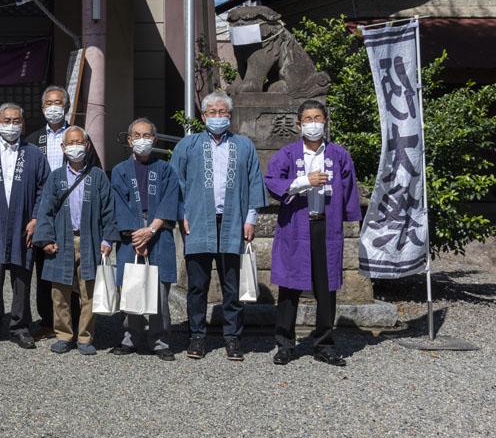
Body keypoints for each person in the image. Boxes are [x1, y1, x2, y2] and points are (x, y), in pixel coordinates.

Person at [266, 100, 361, 367]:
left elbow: (350, 187)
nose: (313, 123)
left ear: (326, 122)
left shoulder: (339, 155)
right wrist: (305, 181)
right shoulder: (287, 154)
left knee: (326, 285)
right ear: (299, 125)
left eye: (318, 118)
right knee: (289, 285)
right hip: (295, 226)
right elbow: (272, 182)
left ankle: (324, 343)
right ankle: (284, 343)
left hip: (326, 226)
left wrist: (351, 219)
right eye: (308, 119)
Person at [172, 90, 266, 361]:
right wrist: (181, 216)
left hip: (232, 221)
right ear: (203, 116)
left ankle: (233, 338)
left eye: (222, 112)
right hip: (198, 221)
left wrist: (251, 219)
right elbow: (175, 183)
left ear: (230, 116)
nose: (217, 117)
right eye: (211, 112)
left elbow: (254, 183)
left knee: (231, 286)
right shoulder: (187, 146)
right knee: (197, 286)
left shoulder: (244, 145)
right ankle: (197, 336)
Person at [0, 102, 50, 348]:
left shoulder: (35, 154)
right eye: (7, 121)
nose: (12, 125)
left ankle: (20, 326)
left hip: (23, 224)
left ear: (23, 123)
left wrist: (36, 218)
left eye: (17, 121)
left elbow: (42, 189)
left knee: (22, 276)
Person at [32, 126, 116, 355]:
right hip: (61, 240)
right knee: (59, 292)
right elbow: (45, 210)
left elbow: (109, 210)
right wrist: (46, 239)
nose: (75, 147)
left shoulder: (98, 176)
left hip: (90, 240)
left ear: (88, 146)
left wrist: (108, 239)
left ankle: (85, 337)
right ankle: (64, 335)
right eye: (70, 143)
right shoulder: (56, 177)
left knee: (89, 291)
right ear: (63, 147)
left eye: (79, 143)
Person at [27, 86, 97, 339]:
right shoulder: (34, 140)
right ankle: (49, 321)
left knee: (79, 272)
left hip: (76, 212)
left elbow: (94, 174)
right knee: (46, 269)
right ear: (43, 108)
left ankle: (78, 322)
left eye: (58, 103)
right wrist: (35, 217)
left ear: (66, 107)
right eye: (48, 103)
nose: (53, 107)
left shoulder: (78, 136)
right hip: (44, 211)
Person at [109, 118, 180, 360]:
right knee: (131, 286)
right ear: (129, 141)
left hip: (159, 231)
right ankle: (130, 338)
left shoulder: (166, 169)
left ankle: (159, 341)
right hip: (131, 235)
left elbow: (171, 200)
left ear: (155, 139)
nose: (142, 140)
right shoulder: (119, 171)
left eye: (147, 136)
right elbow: (118, 205)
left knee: (159, 290)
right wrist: (137, 235)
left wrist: (151, 230)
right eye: (137, 136)